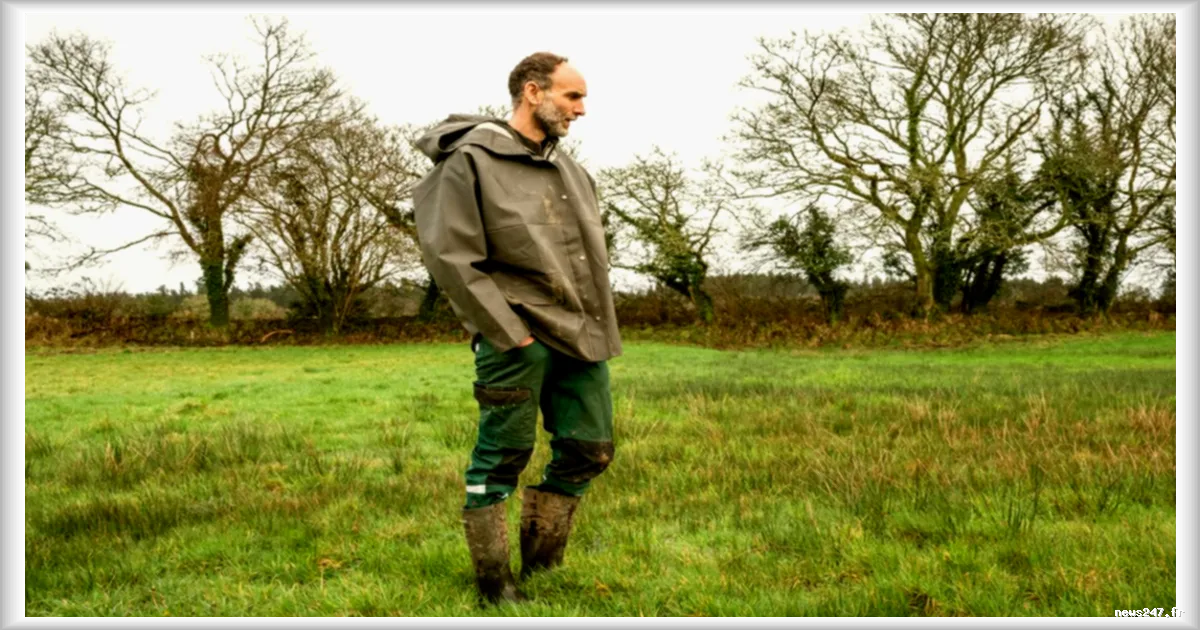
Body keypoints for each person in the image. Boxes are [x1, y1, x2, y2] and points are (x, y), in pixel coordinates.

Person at [412, 52, 622, 605]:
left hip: (581, 337)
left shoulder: (572, 171)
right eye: (572, 96)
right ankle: (494, 584)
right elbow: (451, 258)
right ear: (533, 92)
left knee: (590, 449)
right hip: (517, 340)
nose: (582, 109)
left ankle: (544, 566)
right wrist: (510, 334)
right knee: (501, 457)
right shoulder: (468, 162)